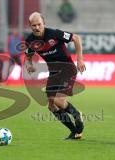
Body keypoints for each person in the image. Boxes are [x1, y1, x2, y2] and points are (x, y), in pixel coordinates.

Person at [24, 12, 86, 140]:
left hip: (67, 69)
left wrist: (79, 59)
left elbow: (76, 38)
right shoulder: (30, 40)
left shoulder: (54, 34)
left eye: (39, 24)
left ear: (44, 24)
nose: (36, 27)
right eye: (33, 25)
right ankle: (75, 132)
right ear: (30, 26)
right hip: (53, 72)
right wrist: (29, 65)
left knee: (59, 101)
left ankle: (77, 114)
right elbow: (28, 55)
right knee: (51, 105)